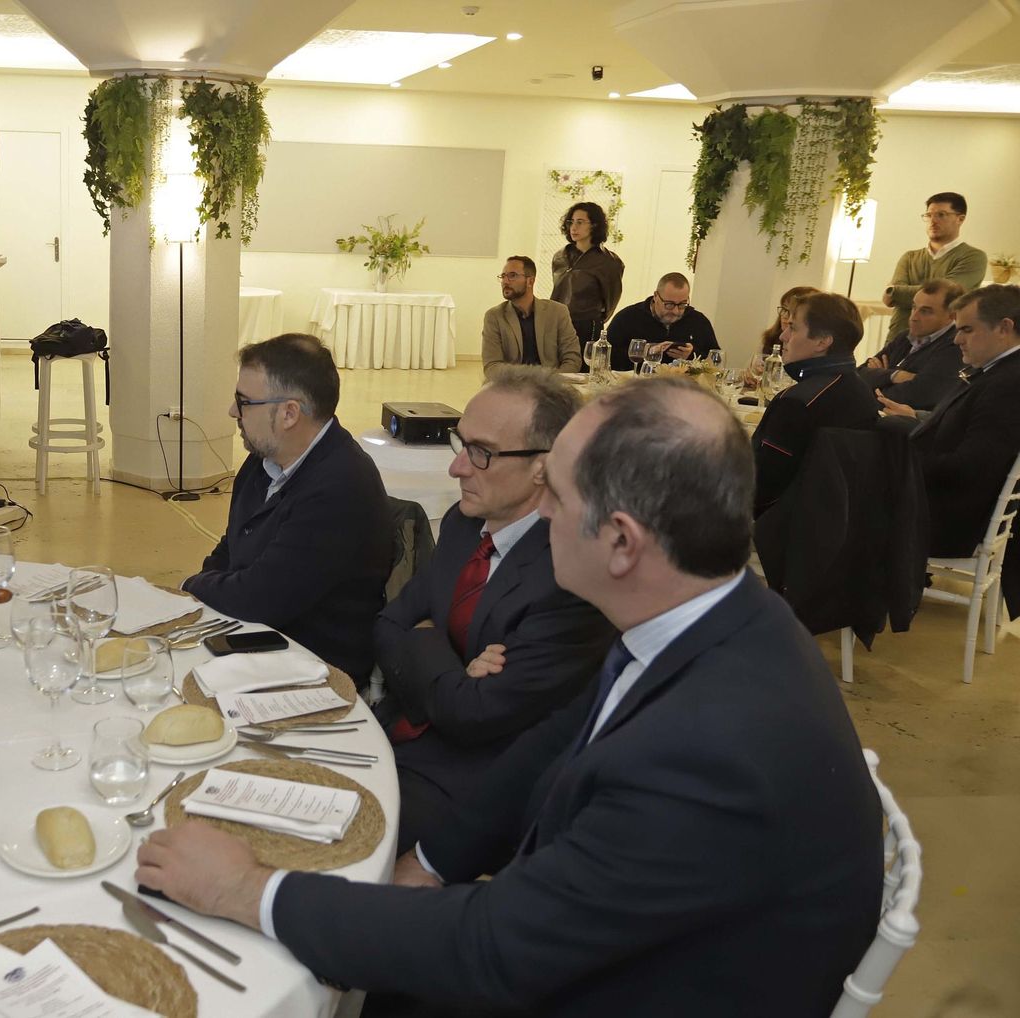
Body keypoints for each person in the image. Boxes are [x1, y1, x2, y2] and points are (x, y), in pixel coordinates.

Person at [137, 378, 882, 1018]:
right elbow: (559, 738)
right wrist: (429, 859)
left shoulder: (707, 752)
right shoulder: (721, 614)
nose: (538, 514)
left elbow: (495, 948)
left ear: (621, 542)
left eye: (555, 493)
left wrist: (248, 888)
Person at [375, 367, 613, 853]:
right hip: (391, 732)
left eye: (480, 452)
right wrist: (455, 668)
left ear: (544, 466)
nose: (457, 468)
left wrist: (425, 639)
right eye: (459, 443)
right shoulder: (467, 524)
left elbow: (475, 715)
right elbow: (387, 623)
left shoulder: (570, 573)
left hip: (465, 788)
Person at [183, 334, 393, 684]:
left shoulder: (340, 488)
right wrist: (204, 587)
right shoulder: (263, 461)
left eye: (244, 401)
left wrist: (192, 585)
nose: (232, 411)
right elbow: (231, 548)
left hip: (312, 670)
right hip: (256, 639)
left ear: (289, 413)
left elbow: (259, 599)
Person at [907, 284, 1020, 564]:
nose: (956, 339)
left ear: (1004, 328)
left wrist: (903, 464)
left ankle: (856, 600)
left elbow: (972, 466)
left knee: (839, 495)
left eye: (967, 329)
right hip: (942, 499)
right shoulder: (996, 371)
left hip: (949, 518)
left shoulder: (1008, 383)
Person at [751, 292, 880, 515]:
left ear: (822, 342)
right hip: (840, 524)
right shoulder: (860, 390)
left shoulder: (798, 403)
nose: (783, 336)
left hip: (783, 529)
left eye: (793, 327)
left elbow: (761, 489)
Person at [883, 192, 988, 338]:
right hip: (899, 337)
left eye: (941, 215)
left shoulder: (973, 257)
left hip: (942, 343)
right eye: (929, 215)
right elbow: (890, 298)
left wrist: (896, 292)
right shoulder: (909, 257)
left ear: (960, 219)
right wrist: (895, 294)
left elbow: (944, 296)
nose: (933, 221)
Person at [859, 279, 965, 411]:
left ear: (951, 316)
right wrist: (894, 375)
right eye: (914, 307)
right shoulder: (904, 338)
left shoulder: (955, 346)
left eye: (925, 311)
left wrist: (878, 376)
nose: (914, 317)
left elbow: (916, 395)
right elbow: (859, 374)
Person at [480, 256, 582, 375]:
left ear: (530, 281)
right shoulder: (494, 316)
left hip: (552, 384)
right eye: (503, 276)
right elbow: (491, 366)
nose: (505, 281)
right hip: (511, 385)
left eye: (512, 275)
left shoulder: (557, 312)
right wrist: (530, 377)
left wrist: (553, 381)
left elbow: (572, 359)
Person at [604, 272, 719, 371]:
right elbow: (605, 356)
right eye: (669, 304)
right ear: (656, 296)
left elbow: (715, 360)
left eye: (682, 304)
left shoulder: (698, 321)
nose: (675, 310)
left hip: (683, 390)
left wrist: (692, 355)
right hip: (635, 387)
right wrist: (645, 353)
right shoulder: (628, 317)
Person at [549, 202, 624, 351]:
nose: (574, 227)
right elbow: (559, 291)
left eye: (580, 222)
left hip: (588, 327)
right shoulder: (560, 257)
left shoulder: (608, 262)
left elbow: (611, 301)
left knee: (583, 369)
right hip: (558, 323)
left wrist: (593, 321)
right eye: (571, 222)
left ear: (594, 225)